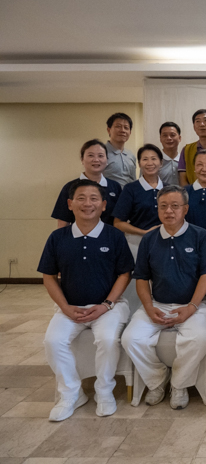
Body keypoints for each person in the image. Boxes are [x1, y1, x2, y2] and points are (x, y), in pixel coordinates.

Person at [39, 179, 134, 421]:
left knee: (108, 338)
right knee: (53, 341)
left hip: (109, 307)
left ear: (103, 205)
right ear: (70, 204)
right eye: (81, 198)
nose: (87, 204)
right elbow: (48, 276)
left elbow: (125, 273)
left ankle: (104, 392)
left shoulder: (114, 236)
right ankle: (71, 394)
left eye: (94, 199)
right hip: (70, 308)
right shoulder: (57, 238)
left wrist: (106, 305)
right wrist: (65, 308)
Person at [121, 185, 206, 410]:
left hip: (192, 305)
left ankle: (179, 384)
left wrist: (191, 307)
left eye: (175, 206)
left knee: (199, 339)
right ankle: (157, 380)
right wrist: (149, 307)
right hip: (157, 304)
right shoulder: (149, 238)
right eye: (163, 206)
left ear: (185, 209)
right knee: (131, 339)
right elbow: (142, 278)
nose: (169, 211)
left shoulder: (199, 235)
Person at [52, 139, 122, 228]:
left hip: (109, 239)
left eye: (101, 156)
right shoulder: (70, 187)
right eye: (90, 155)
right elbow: (63, 222)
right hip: (77, 239)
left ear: (107, 160)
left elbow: (119, 221)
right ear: (82, 159)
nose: (96, 160)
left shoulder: (115, 187)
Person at [112, 144, 164, 257]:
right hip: (137, 243)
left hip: (166, 242)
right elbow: (118, 223)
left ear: (161, 163)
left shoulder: (168, 189)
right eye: (145, 159)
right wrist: (144, 233)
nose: (150, 163)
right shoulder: (131, 189)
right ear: (139, 164)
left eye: (154, 158)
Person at [104, 112, 137, 187]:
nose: (122, 130)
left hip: (128, 197)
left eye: (126, 127)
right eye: (118, 126)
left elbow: (133, 180)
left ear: (130, 132)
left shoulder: (131, 155)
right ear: (109, 130)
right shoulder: (101, 152)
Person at [158, 121, 182, 186]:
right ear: (160, 139)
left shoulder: (185, 160)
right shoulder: (154, 161)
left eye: (172, 135)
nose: (169, 138)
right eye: (165, 135)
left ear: (179, 138)